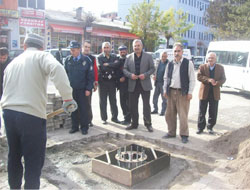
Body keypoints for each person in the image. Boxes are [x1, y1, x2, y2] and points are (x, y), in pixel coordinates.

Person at [0, 33, 77, 189]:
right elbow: (57, 68)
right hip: (31, 116)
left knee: (14, 155)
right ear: (42, 47)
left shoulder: (12, 63)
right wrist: (67, 98)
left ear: (24, 46)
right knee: (33, 160)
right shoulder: (41, 56)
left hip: (8, 114)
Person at [163, 42, 196, 143]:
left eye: (178, 51)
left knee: (183, 115)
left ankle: (184, 134)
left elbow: (192, 79)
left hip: (183, 93)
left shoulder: (188, 63)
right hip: (171, 92)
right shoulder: (170, 63)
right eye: (175, 51)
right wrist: (165, 90)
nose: (176, 53)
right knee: (169, 114)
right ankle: (171, 132)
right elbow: (166, 78)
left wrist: (190, 92)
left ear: (182, 52)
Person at [123, 39, 155, 132]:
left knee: (146, 106)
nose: (136, 47)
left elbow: (153, 68)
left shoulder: (148, 56)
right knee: (133, 106)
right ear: (133, 47)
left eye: (138, 45)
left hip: (144, 84)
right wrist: (130, 75)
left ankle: (148, 124)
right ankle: (134, 123)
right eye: (135, 46)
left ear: (142, 46)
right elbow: (125, 69)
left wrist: (145, 75)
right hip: (133, 84)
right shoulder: (129, 57)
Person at [64, 41, 94, 135]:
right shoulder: (68, 60)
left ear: (79, 49)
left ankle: (84, 127)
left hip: (83, 90)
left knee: (83, 109)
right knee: (73, 108)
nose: (72, 51)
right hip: (72, 90)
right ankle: (75, 127)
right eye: (71, 50)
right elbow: (65, 75)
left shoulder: (86, 60)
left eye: (74, 49)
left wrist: (88, 89)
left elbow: (90, 76)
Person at [196, 52, 226, 134]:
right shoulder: (202, 67)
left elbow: (223, 79)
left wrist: (218, 83)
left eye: (212, 58)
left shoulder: (220, 68)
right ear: (207, 59)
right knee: (202, 111)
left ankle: (210, 127)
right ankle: (200, 128)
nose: (210, 59)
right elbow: (199, 76)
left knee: (213, 111)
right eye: (209, 58)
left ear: (215, 59)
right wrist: (208, 80)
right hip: (204, 92)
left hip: (214, 92)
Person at [97, 42, 120, 124]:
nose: (106, 49)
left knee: (113, 100)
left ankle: (114, 118)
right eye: (105, 48)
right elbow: (102, 67)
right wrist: (112, 65)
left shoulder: (114, 56)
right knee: (103, 101)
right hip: (103, 82)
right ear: (102, 49)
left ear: (110, 48)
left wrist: (108, 64)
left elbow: (117, 65)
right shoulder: (99, 57)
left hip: (112, 82)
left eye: (108, 47)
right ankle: (104, 118)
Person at [82, 40, 98, 127]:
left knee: (88, 103)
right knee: (80, 103)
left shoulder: (92, 58)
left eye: (88, 47)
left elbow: (95, 70)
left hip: (88, 84)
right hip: (79, 84)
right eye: (85, 47)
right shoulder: (78, 56)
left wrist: (95, 83)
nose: (87, 49)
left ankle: (89, 120)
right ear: (82, 47)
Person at [151, 51, 168, 116]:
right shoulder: (158, 62)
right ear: (160, 57)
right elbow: (154, 71)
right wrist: (153, 76)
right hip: (157, 83)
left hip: (164, 84)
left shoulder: (168, 64)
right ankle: (155, 109)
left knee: (164, 99)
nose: (163, 58)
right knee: (155, 97)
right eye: (162, 56)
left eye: (165, 56)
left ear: (167, 57)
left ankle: (163, 111)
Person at [117, 45, 131, 125]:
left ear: (126, 51)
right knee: (122, 102)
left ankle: (129, 119)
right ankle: (125, 117)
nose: (122, 52)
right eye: (121, 51)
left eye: (124, 51)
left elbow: (131, 70)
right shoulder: (118, 60)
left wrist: (124, 77)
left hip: (128, 84)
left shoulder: (129, 60)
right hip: (120, 85)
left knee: (128, 103)